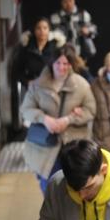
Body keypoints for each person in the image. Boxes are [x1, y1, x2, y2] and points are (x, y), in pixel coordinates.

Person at [20, 44, 97, 191]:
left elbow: (91, 109)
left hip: (73, 146)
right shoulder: (38, 85)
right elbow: (25, 109)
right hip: (45, 146)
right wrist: (44, 119)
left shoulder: (81, 85)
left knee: (75, 188)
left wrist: (69, 119)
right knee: (49, 189)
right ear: (51, 63)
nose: (62, 67)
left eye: (66, 63)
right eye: (58, 63)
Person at [50, 0, 97, 64]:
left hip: (83, 52)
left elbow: (93, 29)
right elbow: (54, 34)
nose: (68, 4)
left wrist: (88, 31)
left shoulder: (83, 14)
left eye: (70, 0)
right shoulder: (55, 17)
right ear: (61, 3)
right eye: (65, 1)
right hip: (64, 54)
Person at [12, 17, 60, 86]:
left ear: (49, 30)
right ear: (34, 31)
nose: (42, 31)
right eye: (38, 28)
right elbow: (17, 72)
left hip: (51, 88)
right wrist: (27, 82)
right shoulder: (27, 49)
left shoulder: (56, 48)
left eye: (45, 28)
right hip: (32, 89)